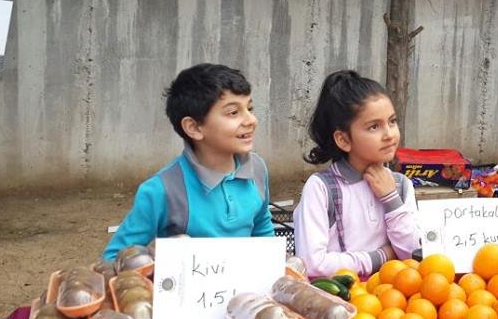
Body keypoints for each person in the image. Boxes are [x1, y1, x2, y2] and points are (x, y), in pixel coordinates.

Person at [103, 63, 274, 260]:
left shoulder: (257, 169)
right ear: (194, 128)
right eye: (233, 113)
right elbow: (114, 259)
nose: (251, 120)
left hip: (246, 289)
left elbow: (262, 230)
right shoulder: (161, 190)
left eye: (249, 108)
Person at [291, 70, 419, 278]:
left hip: (392, 305)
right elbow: (312, 263)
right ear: (344, 140)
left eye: (392, 121)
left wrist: (391, 200)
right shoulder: (322, 188)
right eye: (374, 126)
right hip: (339, 305)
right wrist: (381, 257)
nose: (389, 134)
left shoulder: (401, 185)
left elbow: (414, 254)